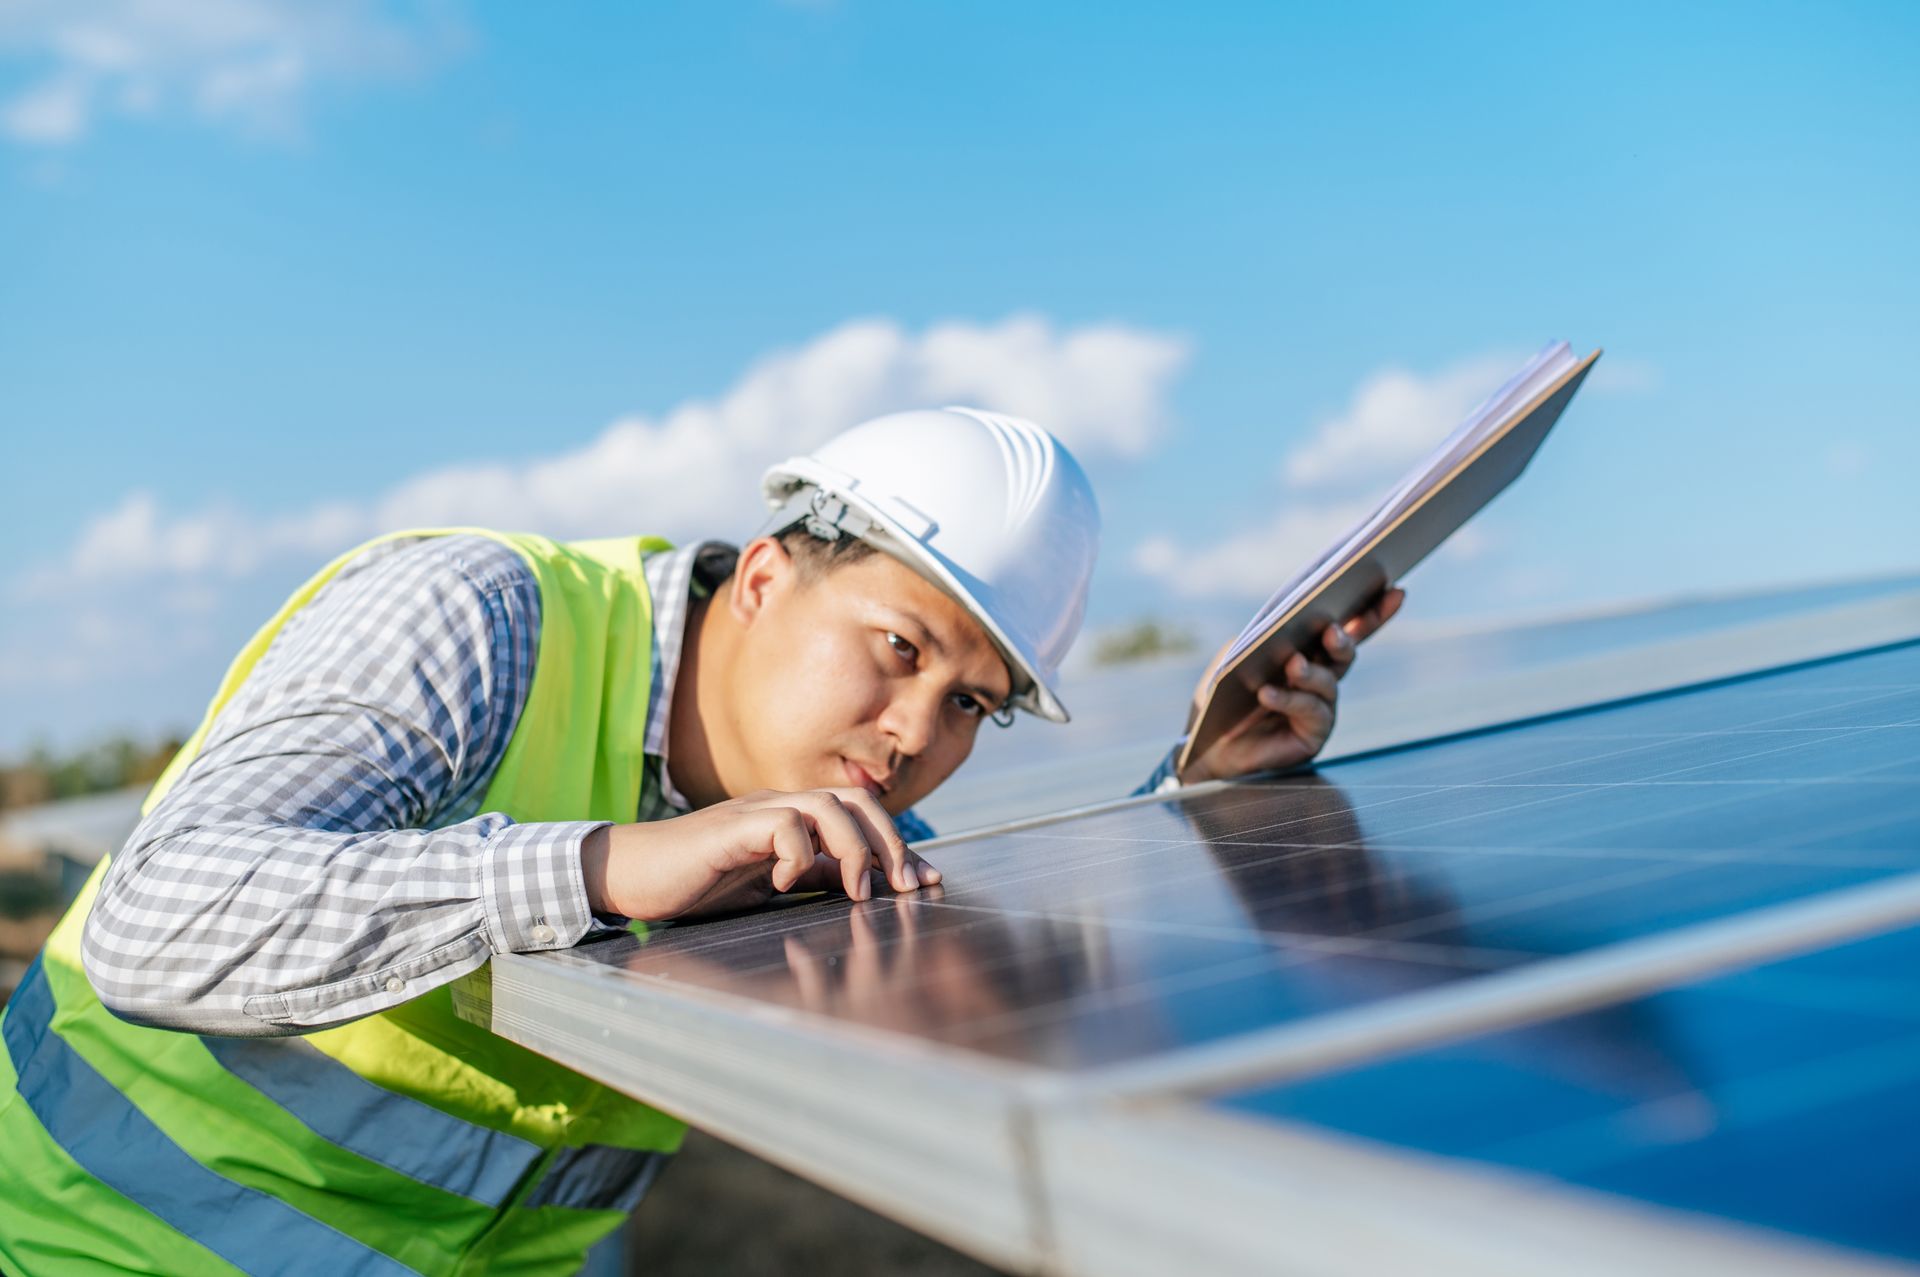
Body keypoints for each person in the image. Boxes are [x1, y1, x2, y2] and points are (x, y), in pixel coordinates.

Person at [0, 407, 1401, 1275]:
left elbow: (1058, 933)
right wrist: (602, 865)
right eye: (898, 647)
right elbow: (157, 916)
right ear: (772, 571)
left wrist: (1202, 787)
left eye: (970, 700)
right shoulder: (479, 616)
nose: (914, 732)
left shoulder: (832, 809)